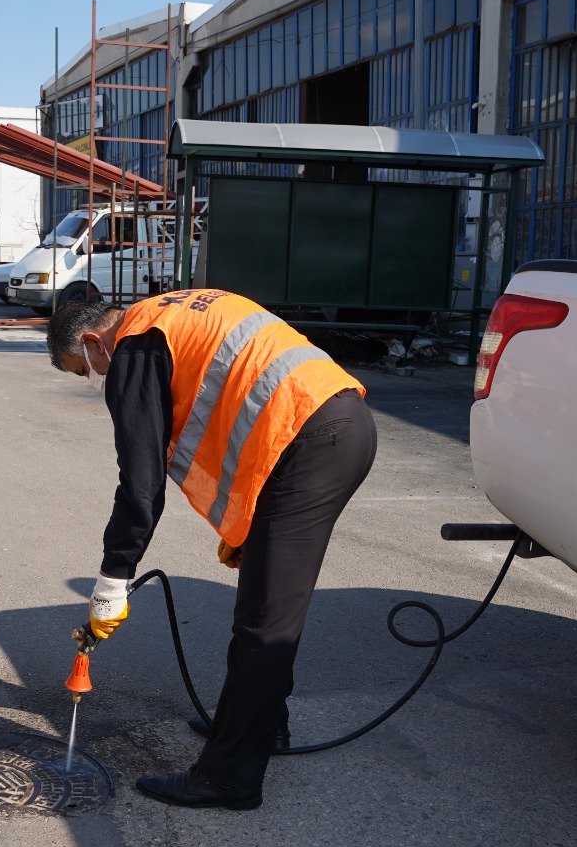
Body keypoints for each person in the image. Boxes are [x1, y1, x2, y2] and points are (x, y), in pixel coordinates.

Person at [47, 288, 377, 810]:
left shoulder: (134, 344)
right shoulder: (169, 311)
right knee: (261, 607)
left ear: (92, 340)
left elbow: (140, 484)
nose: (93, 379)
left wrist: (113, 578)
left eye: (81, 369)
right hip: (326, 425)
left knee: (266, 623)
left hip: (311, 440)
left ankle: (228, 778)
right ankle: (262, 727)